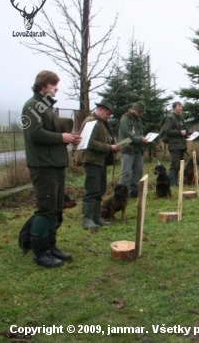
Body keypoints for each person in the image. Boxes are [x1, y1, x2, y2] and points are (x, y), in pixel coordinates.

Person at [22, 70, 81, 267]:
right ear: (43, 85)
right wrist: (61, 137)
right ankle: (40, 252)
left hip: (55, 164)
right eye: (53, 84)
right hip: (43, 166)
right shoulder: (32, 106)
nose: (57, 88)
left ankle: (50, 247)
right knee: (45, 209)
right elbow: (35, 134)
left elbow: (51, 133)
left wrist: (68, 137)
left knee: (56, 209)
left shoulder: (46, 108)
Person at [80, 99, 119, 229]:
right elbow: (90, 142)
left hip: (100, 161)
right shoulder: (91, 122)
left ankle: (96, 217)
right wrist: (109, 147)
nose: (108, 116)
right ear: (100, 109)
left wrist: (113, 147)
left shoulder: (102, 123)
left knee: (100, 190)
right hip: (92, 161)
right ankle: (87, 219)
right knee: (92, 190)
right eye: (107, 113)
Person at [118, 102, 148, 197]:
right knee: (126, 172)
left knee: (138, 171)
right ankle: (121, 193)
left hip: (137, 149)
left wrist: (143, 138)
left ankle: (134, 192)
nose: (140, 114)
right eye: (139, 112)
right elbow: (127, 133)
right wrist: (139, 139)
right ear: (134, 109)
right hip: (127, 148)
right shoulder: (125, 119)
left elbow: (140, 132)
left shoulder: (138, 120)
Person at [161, 101, 189, 186]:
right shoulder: (170, 118)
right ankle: (172, 183)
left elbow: (183, 129)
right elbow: (168, 132)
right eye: (178, 106)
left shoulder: (180, 118)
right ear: (174, 108)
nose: (180, 108)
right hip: (174, 145)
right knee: (174, 165)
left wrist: (186, 134)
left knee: (180, 164)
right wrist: (180, 133)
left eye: (181, 106)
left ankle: (176, 182)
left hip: (181, 144)